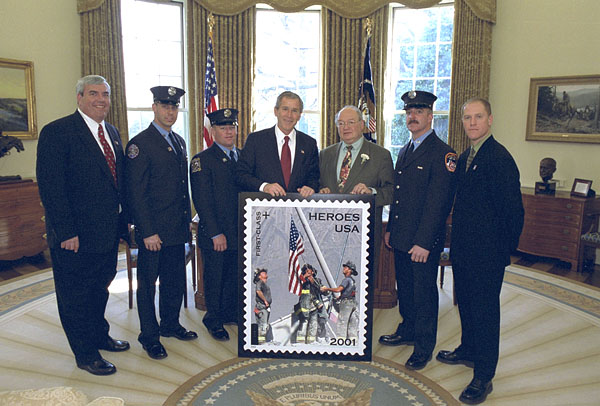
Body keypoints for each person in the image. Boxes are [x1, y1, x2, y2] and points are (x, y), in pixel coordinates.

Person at [36, 75, 130, 375]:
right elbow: (51, 188)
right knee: (75, 295)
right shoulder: (57, 132)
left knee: (99, 288)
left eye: (105, 94)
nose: (100, 99)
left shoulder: (112, 133)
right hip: (73, 236)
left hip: (105, 233)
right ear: (79, 98)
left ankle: (98, 335)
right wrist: (66, 232)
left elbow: (116, 184)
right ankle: (85, 353)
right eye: (93, 93)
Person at [436, 98, 524, 405]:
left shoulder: (500, 158)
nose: (472, 122)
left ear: (490, 120)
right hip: (464, 250)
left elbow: (514, 213)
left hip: (487, 255)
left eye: (478, 117)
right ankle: (468, 349)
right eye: (467, 117)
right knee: (468, 305)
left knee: (486, 313)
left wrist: (503, 252)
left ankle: (484, 375)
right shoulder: (465, 157)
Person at [379, 91, 457, 372]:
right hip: (402, 237)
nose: (412, 116)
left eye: (419, 111)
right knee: (407, 290)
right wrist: (393, 231)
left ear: (430, 116)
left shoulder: (443, 154)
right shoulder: (406, 149)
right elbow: (401, 198)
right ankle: (407, 329)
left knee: (424, 295)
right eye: (409, 111)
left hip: (423, 242)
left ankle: (424, 346)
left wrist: (424, 242)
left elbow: (438, 203)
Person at [125, 86, 196, 360]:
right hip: (153, 232)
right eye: (165, 106)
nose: (170, 111)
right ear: (154, 107)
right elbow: (136, 192)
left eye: (174, 106)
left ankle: (169, 324)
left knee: (174, 281)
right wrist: (147, 231)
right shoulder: (139, 144)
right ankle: (149, 336)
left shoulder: (178, 141)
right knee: (148, 285)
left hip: (177, 229)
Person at [319, 105, 394, 274]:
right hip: (328, 235)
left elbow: (391, 192)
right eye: (341, 123)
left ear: (362, 124)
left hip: (363, 235)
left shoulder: (381, 155)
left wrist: (372, 192)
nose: (345, 127)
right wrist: (320, 192)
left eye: (351, 122)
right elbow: (317, 185)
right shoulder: (325, 154)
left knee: (359, 289)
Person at [190, 108, 241, 341]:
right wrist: (215, 232)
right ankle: (214, 319)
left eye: (232, 127)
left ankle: (230, 313)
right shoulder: (202, 161)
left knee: (233, 275)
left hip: (240, 232)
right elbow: (202, 201)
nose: (228, 131)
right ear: (213, 131)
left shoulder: (243, 157)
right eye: (223, 127)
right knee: (215, 278)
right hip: (216, 233)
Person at [236, 91, 319, 198]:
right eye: (285, 109)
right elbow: (241, 175)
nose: (289, 115)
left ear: (299, 116)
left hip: (298, 210)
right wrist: (264, 186)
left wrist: (310, 187)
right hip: (264, 209)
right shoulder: (256, 140)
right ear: (276, 111)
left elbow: (314, 178)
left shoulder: (309, 144)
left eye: (294, 110)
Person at [321, 261, 358, 339]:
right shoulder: (352, 281)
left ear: (350, 270)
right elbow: (349, 292)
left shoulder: (346, 280)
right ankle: (353, 341)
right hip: (353, 303)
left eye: (346, 267)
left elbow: (338, 290)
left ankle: (341, 342)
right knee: (352, 324)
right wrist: (340, 297)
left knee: (342, 323)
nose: (344, 268)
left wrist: (326, 288)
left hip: (346, 304)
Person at [293, 264, 325, 344]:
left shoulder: (317, 281)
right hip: (304, 307)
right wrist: (304, 277)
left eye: (310, 271)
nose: (309, 273)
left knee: (313, 325)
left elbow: (322, 290)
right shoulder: (302, 282)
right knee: (303, 324)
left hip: (314, 307)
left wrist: (313, 282)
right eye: (306, 272)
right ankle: (300, 342)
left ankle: (311, 341)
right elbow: (298, 284)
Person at [254, 268, 271, 344]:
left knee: (265, 324)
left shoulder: (264, 284)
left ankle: (262, 341)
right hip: (262, 307)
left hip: (266, 307)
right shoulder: (259, 283)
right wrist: (265, 301)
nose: (265, 274)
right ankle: (261, 343)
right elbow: (258, 292)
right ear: (259, 276)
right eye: (263, 273)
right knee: (263, 325)